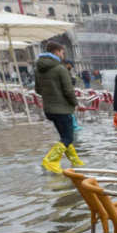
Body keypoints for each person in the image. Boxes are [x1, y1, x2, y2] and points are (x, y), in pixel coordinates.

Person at [34, 41, 83, 173]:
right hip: (62, 109)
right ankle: (49, 161)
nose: (63, 55)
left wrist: (51, 94)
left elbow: (38, 90)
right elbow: (69, 90)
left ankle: (75, 161)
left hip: (49, 109)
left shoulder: (38, 69)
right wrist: (75, 103)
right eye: (62, 53)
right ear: (57, 52)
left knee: (64, 137)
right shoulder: (61, 68)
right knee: (68, 137)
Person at [62, 60, 85, 132]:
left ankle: (72, 126)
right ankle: (74, 126)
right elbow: (70, 84)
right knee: (70, 111)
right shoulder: (64, 71)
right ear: (68, 64)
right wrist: (74, 79)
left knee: (69, 112)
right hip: (66, 95)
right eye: (71, 65)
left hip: (63, 95)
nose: (72, 67)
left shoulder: (63, 70)